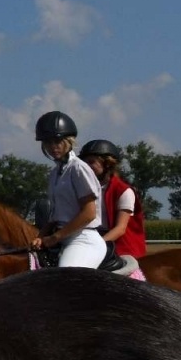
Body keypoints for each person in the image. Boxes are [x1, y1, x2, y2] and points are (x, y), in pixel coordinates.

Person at [30, 112, 105, 269]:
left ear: (69, 141)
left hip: (83, 239)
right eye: (48, 142)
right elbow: (55, 216)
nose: (53, 147)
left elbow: (89, 213)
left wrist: (56, 237)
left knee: (65, 276)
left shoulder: (78, 168)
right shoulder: (54, 174)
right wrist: (41, 236)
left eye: (58, 141)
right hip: (63, 238)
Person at [81, 138, 147, 259]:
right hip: (92, 240)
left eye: (91, 162)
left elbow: (120, 229)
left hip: (120, 247)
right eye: (84, 163)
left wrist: (96, 244)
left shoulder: (124, 191)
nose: (86, 167)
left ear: (107, 164)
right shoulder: (83, 189)